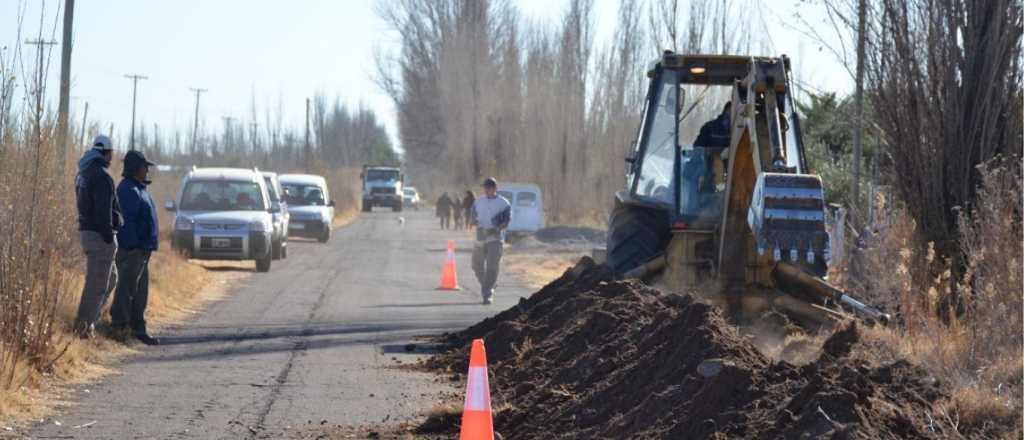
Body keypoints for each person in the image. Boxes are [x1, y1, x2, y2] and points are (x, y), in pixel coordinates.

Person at [74, 135, 123, 339]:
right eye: (111, 153)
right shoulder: (102, 176)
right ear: (107, 152)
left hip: (88, 233)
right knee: (97, 284)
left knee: (111, 278)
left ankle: (90, 321)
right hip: (99, 236)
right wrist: (108, 236)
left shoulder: (83, 173)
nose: (112, 156)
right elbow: (103, 212)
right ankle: (83, 330)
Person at [112, 150, 160, 345]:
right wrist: (133, 246)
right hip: (133, 250)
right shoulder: (127, 190)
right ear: (136, 168)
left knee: (140, 292)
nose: (147, 170)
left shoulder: (138, 188)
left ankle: (137, 328)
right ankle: (120, 326)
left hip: (142, 250)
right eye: (144, 166)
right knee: (127, 289)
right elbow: (127, 221)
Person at [470, 178, 511, 305]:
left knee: (492, 266)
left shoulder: (503, 203)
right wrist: (474, 222)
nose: (486, 190)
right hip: (480, 238)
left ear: (494, 188)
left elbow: (506, 222)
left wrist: (496, 229)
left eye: (488, 187)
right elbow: (472, 217)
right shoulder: (478, 202)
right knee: (476, 265)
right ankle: (490, 284)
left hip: (495, 239)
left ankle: (487, 294)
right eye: (485, 188)